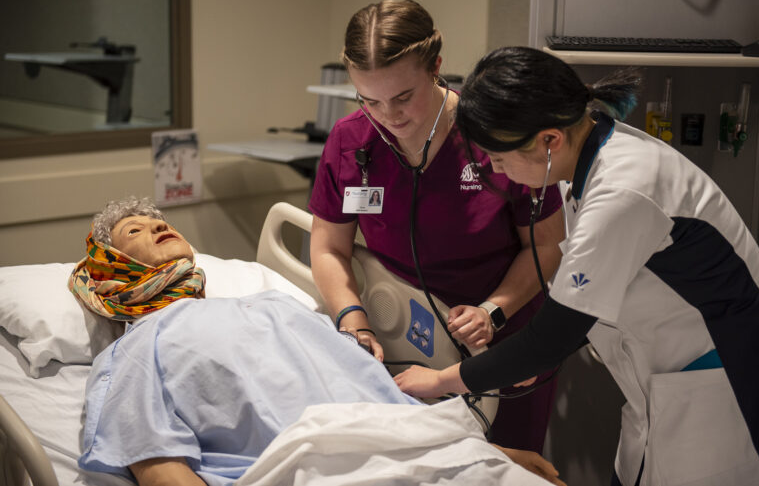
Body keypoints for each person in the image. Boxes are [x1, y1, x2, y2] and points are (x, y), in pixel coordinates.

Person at [394, 46, 759, 486]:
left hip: (729, 388)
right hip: (667, 381)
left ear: (550, 140)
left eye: (501, 158)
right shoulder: (591, 154)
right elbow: (596, 293)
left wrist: (438, 382)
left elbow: (551, 337)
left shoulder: (623, 189)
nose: (494, 168)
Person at [70, 197, 567, 486]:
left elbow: (374, 397)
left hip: (422, 456)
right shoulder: (133, 351)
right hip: (311, 471)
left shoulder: (273, 303)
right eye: (135, 229)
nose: (158, 224)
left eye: (161, 221)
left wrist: (488, 450)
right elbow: (159, 464)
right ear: (111, 269)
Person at [308, 0, 565, 453]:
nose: (389, 115)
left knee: (505, 471)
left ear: (436, 68)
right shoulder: (351, 141)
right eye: (369, 100)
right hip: (400, 339)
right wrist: (353, 321)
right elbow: (329, 248)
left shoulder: (492, 138)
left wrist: (493, 310)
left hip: (502, 344)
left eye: (404, 96)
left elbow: (546, 246)